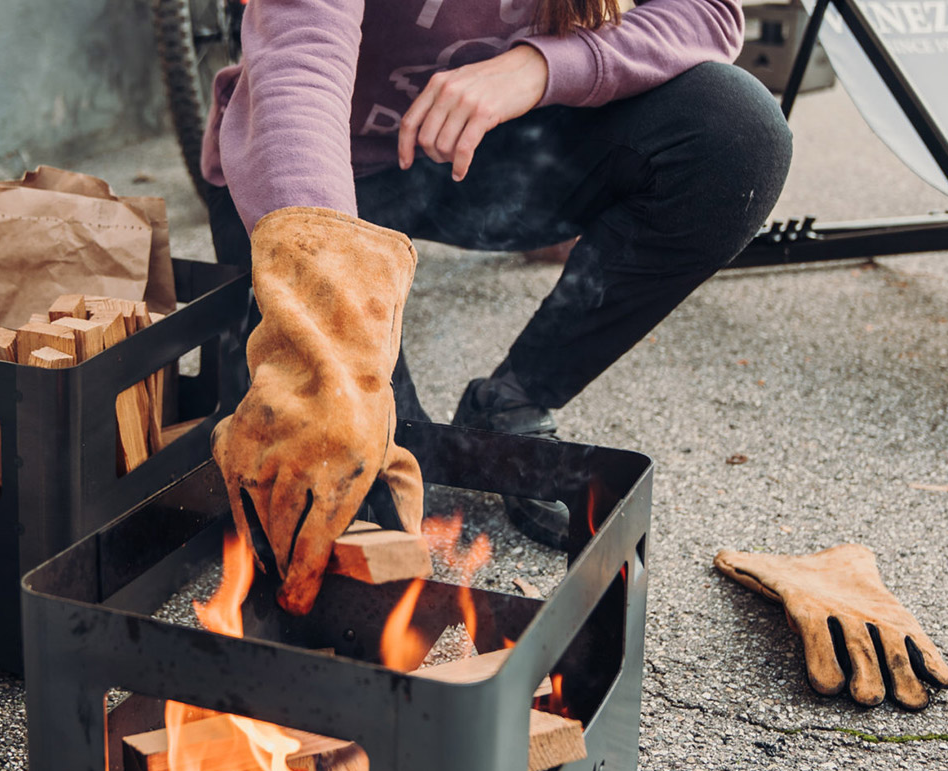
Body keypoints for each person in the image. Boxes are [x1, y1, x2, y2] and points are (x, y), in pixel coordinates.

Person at [203, 0, 792, 615]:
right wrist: (332, 339)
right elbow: (299, 66)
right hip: (317, 172)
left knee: (737, 132)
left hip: (503, 157)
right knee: (357, 460)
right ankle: (387, 413)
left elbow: (707, 12)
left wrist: (537, 67)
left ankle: (513, 398)